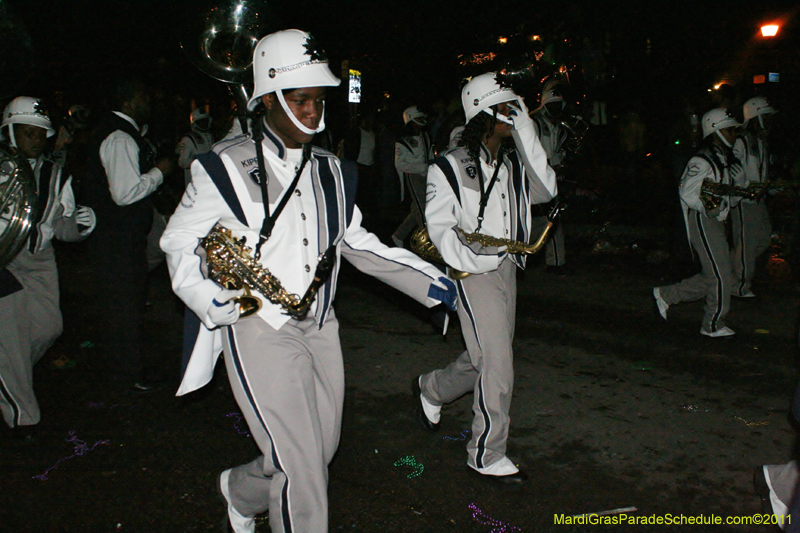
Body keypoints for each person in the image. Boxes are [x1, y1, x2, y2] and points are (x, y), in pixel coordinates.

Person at [159, 29, 457, 533]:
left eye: (319, 99)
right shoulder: (223, 167)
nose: (314, 111)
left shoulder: (333, 171)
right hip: (258, 324)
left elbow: (358, 243)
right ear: (268, 101)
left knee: (318, 450)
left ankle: (240, 490)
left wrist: (432, 281)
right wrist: (208, 297)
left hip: (320, 324)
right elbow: (177, 243)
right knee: (302, 467)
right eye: (301, 100)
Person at [413, 72, 557, 484]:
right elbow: (440, 229)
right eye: (509, 109)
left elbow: (546, 189)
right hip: (472, 270)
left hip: (508, 267)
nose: (515, 114)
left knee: (486, 359)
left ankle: (433, 389)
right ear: (485, 112)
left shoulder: (510, 163)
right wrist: (477, 259)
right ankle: (486, 452)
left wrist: (527, 127)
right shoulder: (449, 166)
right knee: (498, 362)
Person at [0, 96, 96, 431]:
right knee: (10, 334)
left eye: (41, 133)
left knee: (48, 327)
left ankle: (9, 375)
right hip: (3, 261)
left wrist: (82, 226)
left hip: (39, 260)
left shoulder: (57, 175)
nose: (36, 140)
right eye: (28, 133)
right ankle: (23, 418)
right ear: (9, 133)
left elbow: (64, 230)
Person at [81, 77, 174, 390]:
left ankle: (122, 369)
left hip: (115, 238)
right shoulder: (119, 137)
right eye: (143, 96)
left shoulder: (121, 133)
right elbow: (124, 193)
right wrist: (159, 172)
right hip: (116, 239)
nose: (148, 102)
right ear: (129, 100)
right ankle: (126, 374)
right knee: (124, 308)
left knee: (122, 306)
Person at [653, 108, 742, 337]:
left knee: (718, 274)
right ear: (716, 130)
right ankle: (712, 324)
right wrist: (709, 207)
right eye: (730, 129)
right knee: (721, 275)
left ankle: (667, 295)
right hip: (702, 220)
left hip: (714, 221)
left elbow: (728, 198)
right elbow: (686, 192)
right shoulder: (701, 160)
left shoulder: (721, 158)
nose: (734, 134)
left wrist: (735, 191)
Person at [730, 96, 778, 298]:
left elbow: (761, 173)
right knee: (746, 244)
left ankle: (730, 269)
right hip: (744, 201)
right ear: (755, 116)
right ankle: (739, 285)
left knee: (762, 239)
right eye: (765, 117)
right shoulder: (742, 140)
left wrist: (770, 188)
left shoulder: (760, 141)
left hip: (757, 200)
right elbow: (734, 173)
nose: (769, 121)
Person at [531, 79, 569, 274]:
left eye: (558, 105)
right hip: (537, 178)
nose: (555, 109)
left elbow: (556, 152)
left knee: (552, 218)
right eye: (551, 105)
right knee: (545, 219)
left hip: (550, 176)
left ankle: (555, 262)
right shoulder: (535, 124)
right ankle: (552, 261)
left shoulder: (557, 127)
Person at [391, 105, 434, 247]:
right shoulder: (402, 141)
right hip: (413, 176)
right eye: (419, 118)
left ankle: (398, 235)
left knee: (418, 209)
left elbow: (428, 156)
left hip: (427, 176)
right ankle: (427, 242)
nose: (422, 121)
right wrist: (422, 167)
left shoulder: (425, 136)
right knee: (423, 210)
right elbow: (400, 164)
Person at [176, 108, 215, 187]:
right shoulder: (188, 139)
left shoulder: (209, 136)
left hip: (209, 180)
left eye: (205, 120)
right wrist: (199, 161)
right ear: (195, 123)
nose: (204, 123)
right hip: (195, 183)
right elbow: (183, 163)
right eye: (201, 121)